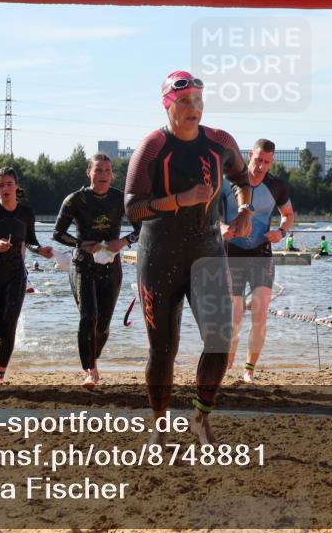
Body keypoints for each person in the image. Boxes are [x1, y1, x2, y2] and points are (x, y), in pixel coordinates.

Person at [125, 70, 253, 445]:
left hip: (207, 253)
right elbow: (132, 209)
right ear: (168, 105)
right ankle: (160, 424)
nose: (192, 107)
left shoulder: (220, 142)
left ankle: (200, 416)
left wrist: (245, 210)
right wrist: (180, 200)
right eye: (184, 101)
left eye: (198, 100)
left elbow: (242, 180)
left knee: (219, 339)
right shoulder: (151, 147)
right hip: (159, 257)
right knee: (163, 349)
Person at [54, 154, 139, 389]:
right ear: (88, 173)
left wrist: (122, 242)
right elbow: (57, 233)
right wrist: (82, 244)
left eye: (108, 171)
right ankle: (90, 370)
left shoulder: (120, 199)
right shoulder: (75, 200)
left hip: (111, 266)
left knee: (102, 325)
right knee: (88, 317)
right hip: (83, 264)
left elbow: (142, 228)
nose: (103, 175)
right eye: (98, 170)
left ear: (112, 174)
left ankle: (93, 358)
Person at [0, 167, 54, 384]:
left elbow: (30, 241)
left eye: (9, 184)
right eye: (0, 185)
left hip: (16, 274)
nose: (5, 188)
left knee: (9, 324)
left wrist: (39, 250)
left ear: (16, 186)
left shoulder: (26, 213)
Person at [219, 138, 295, 383]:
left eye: (267, 162)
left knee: (260, 313)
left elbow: (288, 215)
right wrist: (221, 228)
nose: (261, 166)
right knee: (234, 316)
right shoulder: (229, 182)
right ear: (249, 154)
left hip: (261, 252)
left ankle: (249, 369)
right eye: (258, 160)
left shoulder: (276, 186)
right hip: (232, 253)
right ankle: (226, 361)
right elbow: (208, 215)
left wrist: (281, 233)